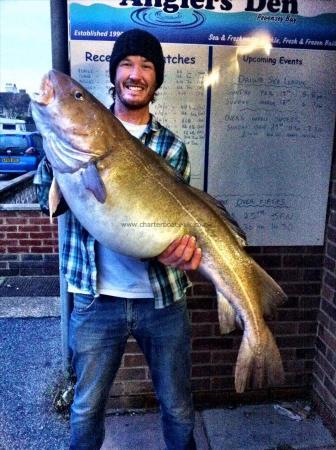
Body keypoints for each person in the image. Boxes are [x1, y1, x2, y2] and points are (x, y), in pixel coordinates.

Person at [35, 29, 201, 450]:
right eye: (127, 64)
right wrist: (60, 155)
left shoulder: (172, 147)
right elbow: (46, 203)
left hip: (161, 300)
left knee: (178, 406)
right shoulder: (71, 138)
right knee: (87, 407)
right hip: (94, 299)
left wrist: (183, 252)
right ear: (114, 74)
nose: (135, 74)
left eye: (147, 66)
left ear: (157, 80)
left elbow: (177, 222)